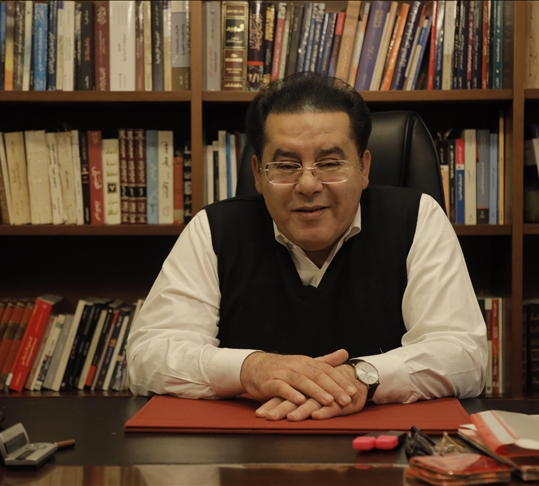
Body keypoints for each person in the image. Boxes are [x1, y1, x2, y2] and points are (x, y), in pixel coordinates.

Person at [127, 72, 487, 422]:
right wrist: (251, 368)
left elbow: (465, 356)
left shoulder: (415, 219)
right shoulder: (214, 229)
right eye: (286, 166)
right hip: (247, 446)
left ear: (364, 168)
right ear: (258, 173)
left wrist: (361, 377)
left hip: (385, 447)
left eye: (330, 164)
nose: (308, 184)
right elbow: (147, 356)